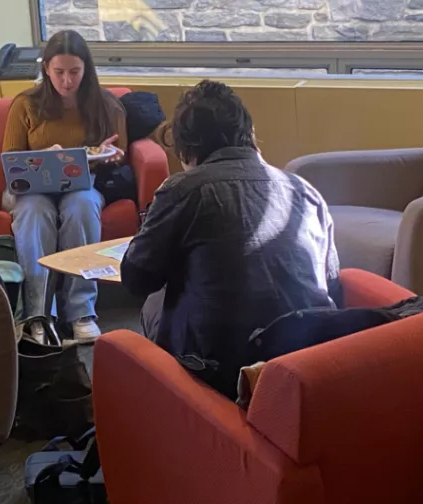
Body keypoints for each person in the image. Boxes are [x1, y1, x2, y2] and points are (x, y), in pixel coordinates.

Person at [121, 80, 341, 398]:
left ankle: (175, 401)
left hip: (224, 368)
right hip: (309, 356)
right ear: (250, 135)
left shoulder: (183, 189)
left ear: (185, 148)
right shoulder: (305, 190)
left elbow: (136, 278)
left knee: (156, 301)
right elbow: (331, 281)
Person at [2, 30, 127, 344]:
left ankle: (82, 310)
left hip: (82, 184)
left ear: (86, 70)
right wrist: (42, 159)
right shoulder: (26, 104)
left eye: (75, 72)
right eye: (59, 72)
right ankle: (37, 314)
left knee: (81, 206)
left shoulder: (105, 104)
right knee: (34, 212)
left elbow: (118, 153)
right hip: (32, 188)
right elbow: (10, 160)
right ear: (46, 69)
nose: (67, 81)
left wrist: (109, 156)